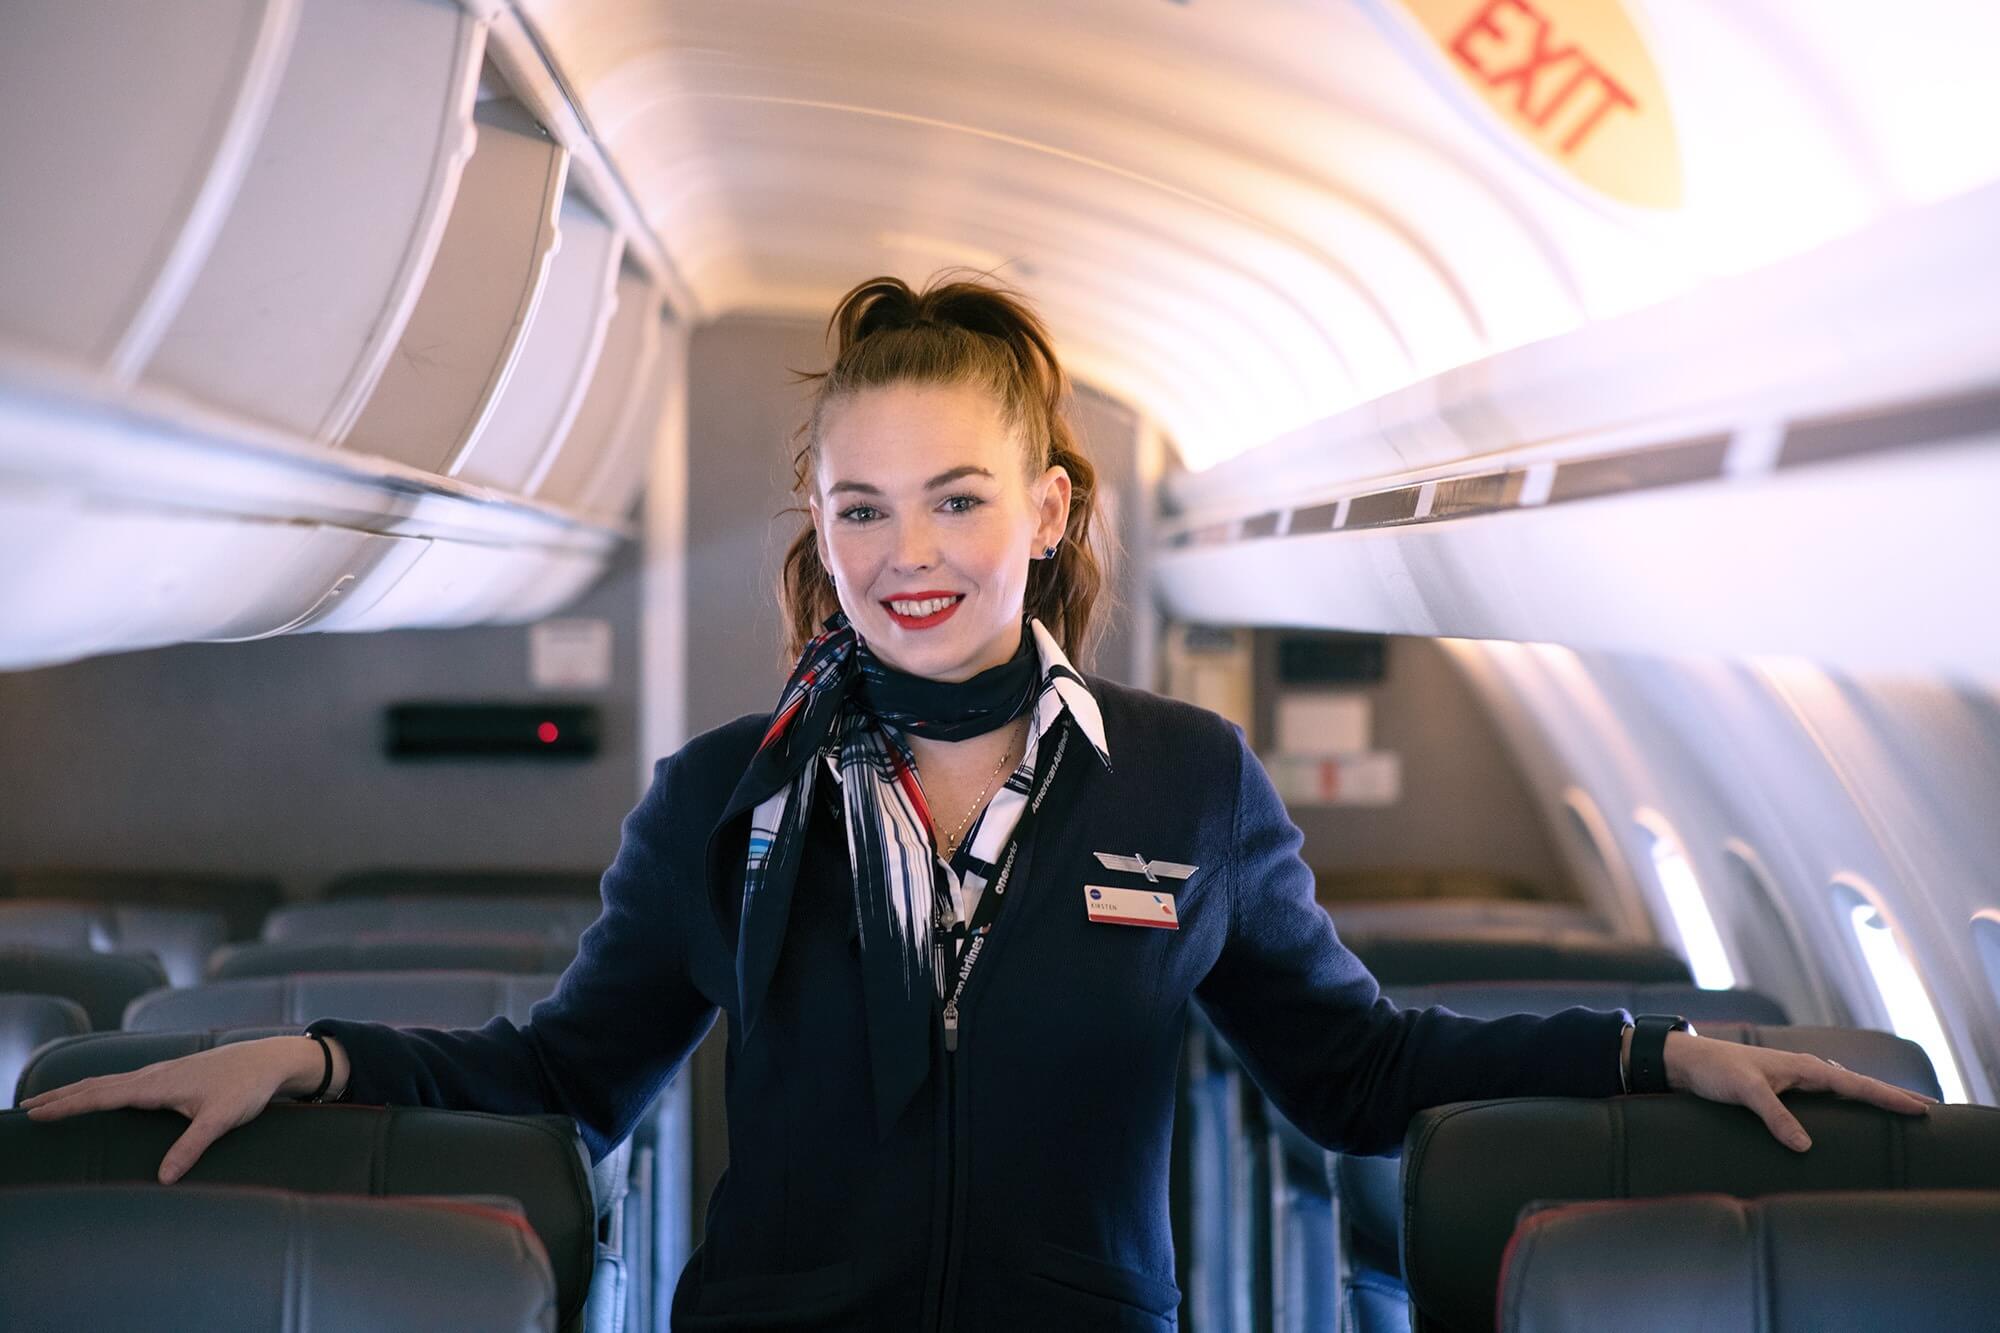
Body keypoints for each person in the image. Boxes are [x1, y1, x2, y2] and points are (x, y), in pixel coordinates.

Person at [23, 272, 1933, 1331]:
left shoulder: (1184, 780)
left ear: (1049, 508)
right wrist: (312, 1065)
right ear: (819, 532)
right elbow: (564, 1074)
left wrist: (1649, 1053)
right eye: (860, 507)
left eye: (956, 497)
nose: (906, 553)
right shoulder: (724, 796)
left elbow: (1352, 1069)